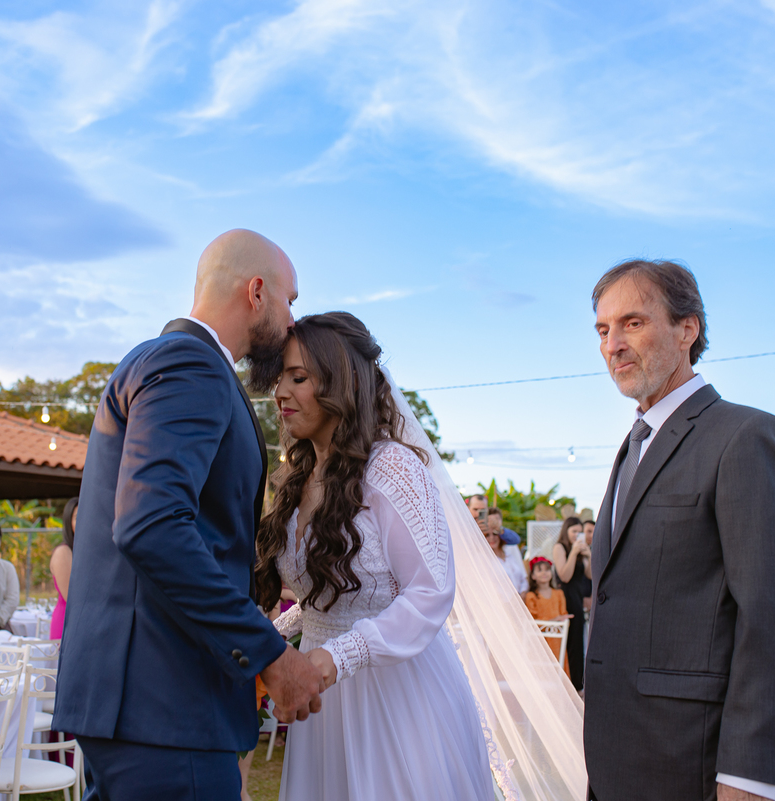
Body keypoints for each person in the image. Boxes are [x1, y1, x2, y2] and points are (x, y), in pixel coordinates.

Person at [53, 229, 325, 801]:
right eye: (290, 300)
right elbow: (152, 525)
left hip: (136, 704)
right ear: (256, 292)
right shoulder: (191, 365)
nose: (293, 320)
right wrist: (269, 653)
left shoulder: (161, 361)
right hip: (166, 704)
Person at [584, 259, 775, 801]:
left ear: (687, 329)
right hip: (618, 762)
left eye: (632, 323)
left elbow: (772, 620)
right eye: (602, 329)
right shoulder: (634, 444)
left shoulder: (744, 435)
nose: (612, 344)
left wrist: (748, 777)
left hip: (695, 765)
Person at [258, 312, 497, 800]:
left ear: (340, 382)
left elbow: (430, 592)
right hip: (321, 698)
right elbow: (328, 598)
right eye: (280, 377)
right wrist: (268, 643)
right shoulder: (297, 478)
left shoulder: (392, 468)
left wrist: (331, 659)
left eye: (298, 377)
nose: (280, 392)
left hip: (395, 696)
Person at [551, 516, 589, 691]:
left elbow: (589, 575)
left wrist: (588, 555)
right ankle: (567, 684)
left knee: (577, 643)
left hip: (577, 596)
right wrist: (573, 553)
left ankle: (578, 685)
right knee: (567, 642)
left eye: (579, 531)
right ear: (566, 531)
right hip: (564, 597)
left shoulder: (582, 549)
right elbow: (564, 576)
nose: (577, 535)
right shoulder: (560, 547)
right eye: (574, 531)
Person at [523, 556, 570, 676]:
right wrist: (554, 620)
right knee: (542, 669)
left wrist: (564, 620)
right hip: (540, 641)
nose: (544, 573)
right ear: (533, 576)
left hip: (557, 640)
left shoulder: (559, 594)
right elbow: (532, 621)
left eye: (547, 569)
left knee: (558, 665)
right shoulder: (531, 596)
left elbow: (563, 614)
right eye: (540, 570)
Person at [49, 497, 76, 639]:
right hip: (68, 621)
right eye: (78, 517)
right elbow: (70, 595)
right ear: (68, 522)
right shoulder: (63, 552)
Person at [488, 508, 529, 594]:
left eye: (496, 520)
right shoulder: (484, 555)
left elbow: (522, 575)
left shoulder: (510, 547)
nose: (494, 523)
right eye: (490, 520)